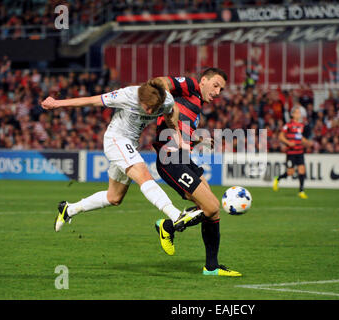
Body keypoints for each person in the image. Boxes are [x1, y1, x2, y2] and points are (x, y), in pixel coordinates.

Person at [41, 79, 202, 232]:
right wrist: (56, 103)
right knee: (143, 174)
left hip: (130, 144)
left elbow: (172, 111)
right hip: (115, 140)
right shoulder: (127, 95)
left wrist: (178, 138)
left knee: (114, 197)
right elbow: (92, 100)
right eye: (148, 108)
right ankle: (176, 215)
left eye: (154, 109)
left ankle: (69, 209)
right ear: (140, 99)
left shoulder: (165, 100)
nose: (151, 112)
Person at [152, 67, 241, 277]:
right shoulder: (190, 86)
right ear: (203, 81)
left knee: (212, 210)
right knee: (211, 206)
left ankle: (211, 267)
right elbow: (159, 81)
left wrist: (199, 140)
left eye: (222, 89)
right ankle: (167, 226)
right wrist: (166, 106)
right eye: (216, 85)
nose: (218, 92)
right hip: (170, 158)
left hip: (184, 159)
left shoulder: (196, 106)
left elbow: (181, 134)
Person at [273, 107, 312, 199]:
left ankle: (301, 191)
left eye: (299, 113)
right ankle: (278, 179)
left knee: (302, 170)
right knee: (290, 172)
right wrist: (288, 142)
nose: (299, 114)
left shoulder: (301, 125)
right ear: (293, 114)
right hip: (291, 152)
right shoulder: (288, 125)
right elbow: (280, 136)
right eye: (297, 113)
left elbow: (300, 138)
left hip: (300, 152)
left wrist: (307, 142)